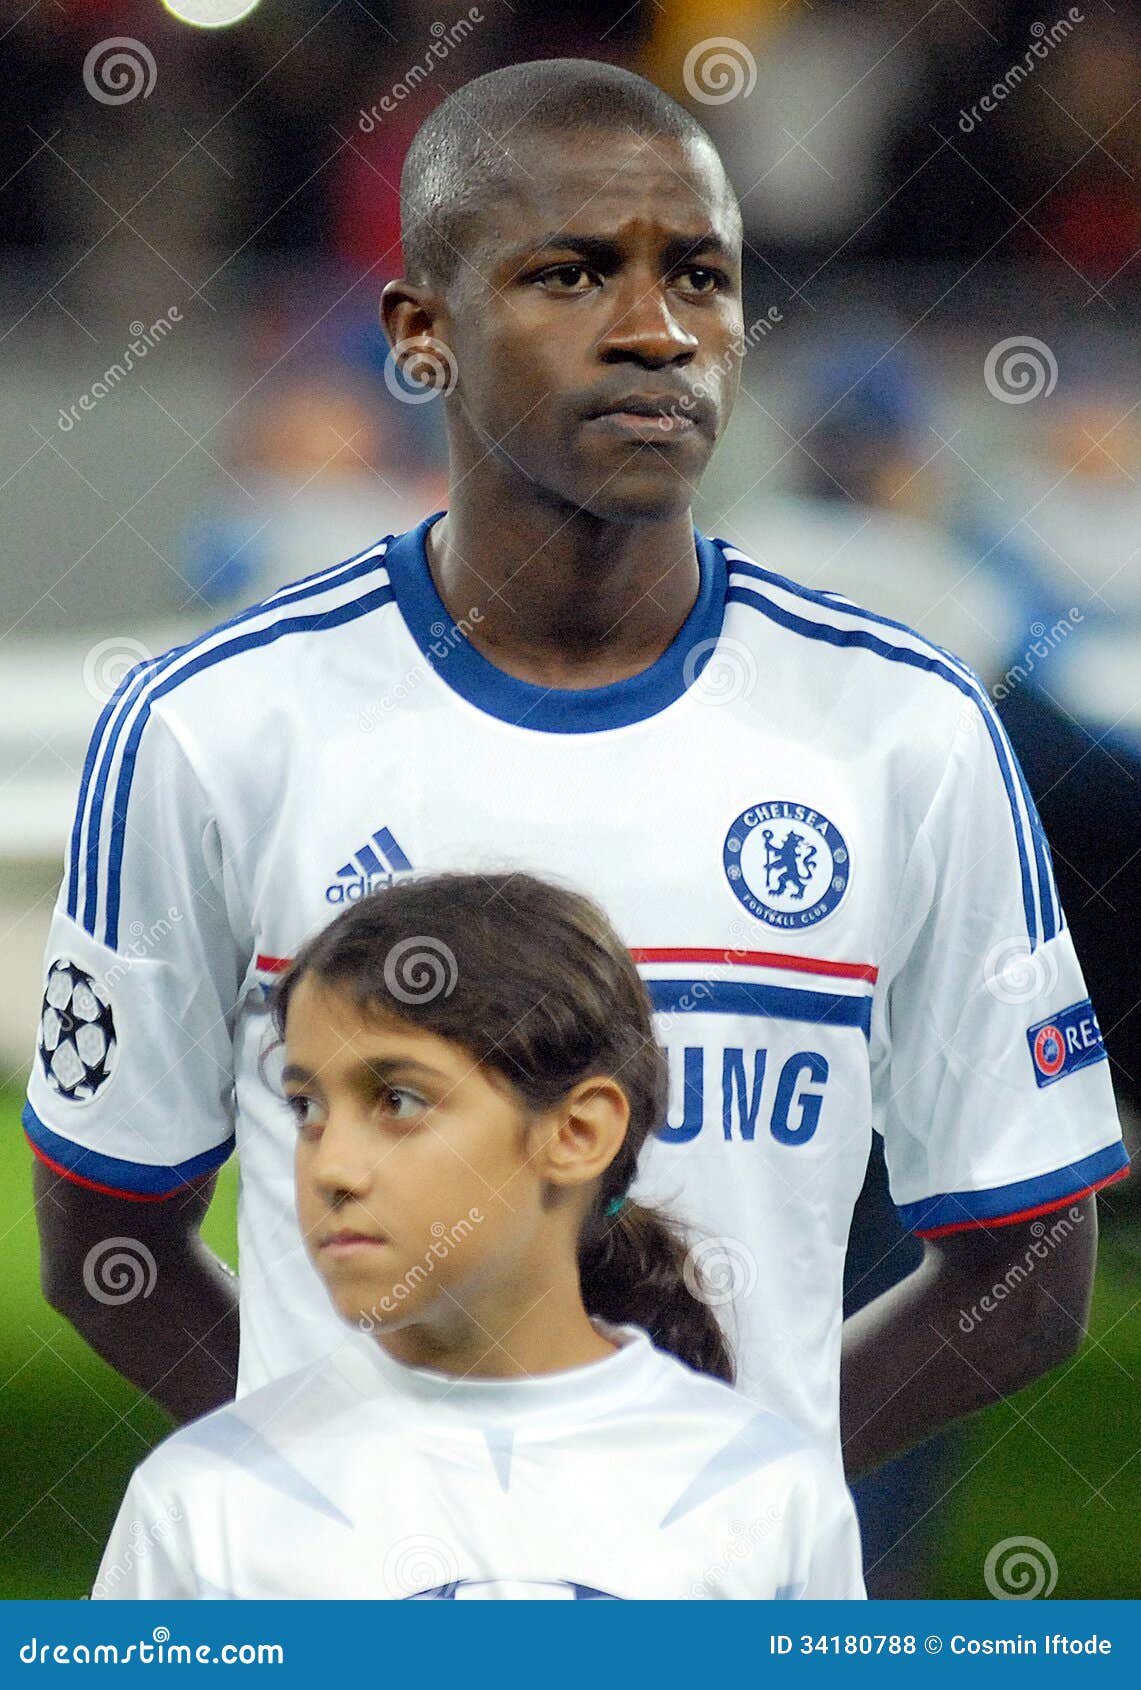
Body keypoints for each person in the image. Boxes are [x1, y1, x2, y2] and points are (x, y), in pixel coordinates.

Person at [27, 61, 1127, 1499]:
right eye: (572, 273)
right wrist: (349, 1496)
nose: (658, 331)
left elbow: (1032, 1259)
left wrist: (725, 1502)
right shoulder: (214, 725)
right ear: (423, 334)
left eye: (702, 276)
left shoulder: (902, 725)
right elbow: (105, 1246)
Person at [93, 872, 865, 1601]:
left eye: (397, 1100)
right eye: (306, 1110)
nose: (330, 1168)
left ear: (576, 1132)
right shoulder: (207, 1504)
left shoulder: (765, 1498)